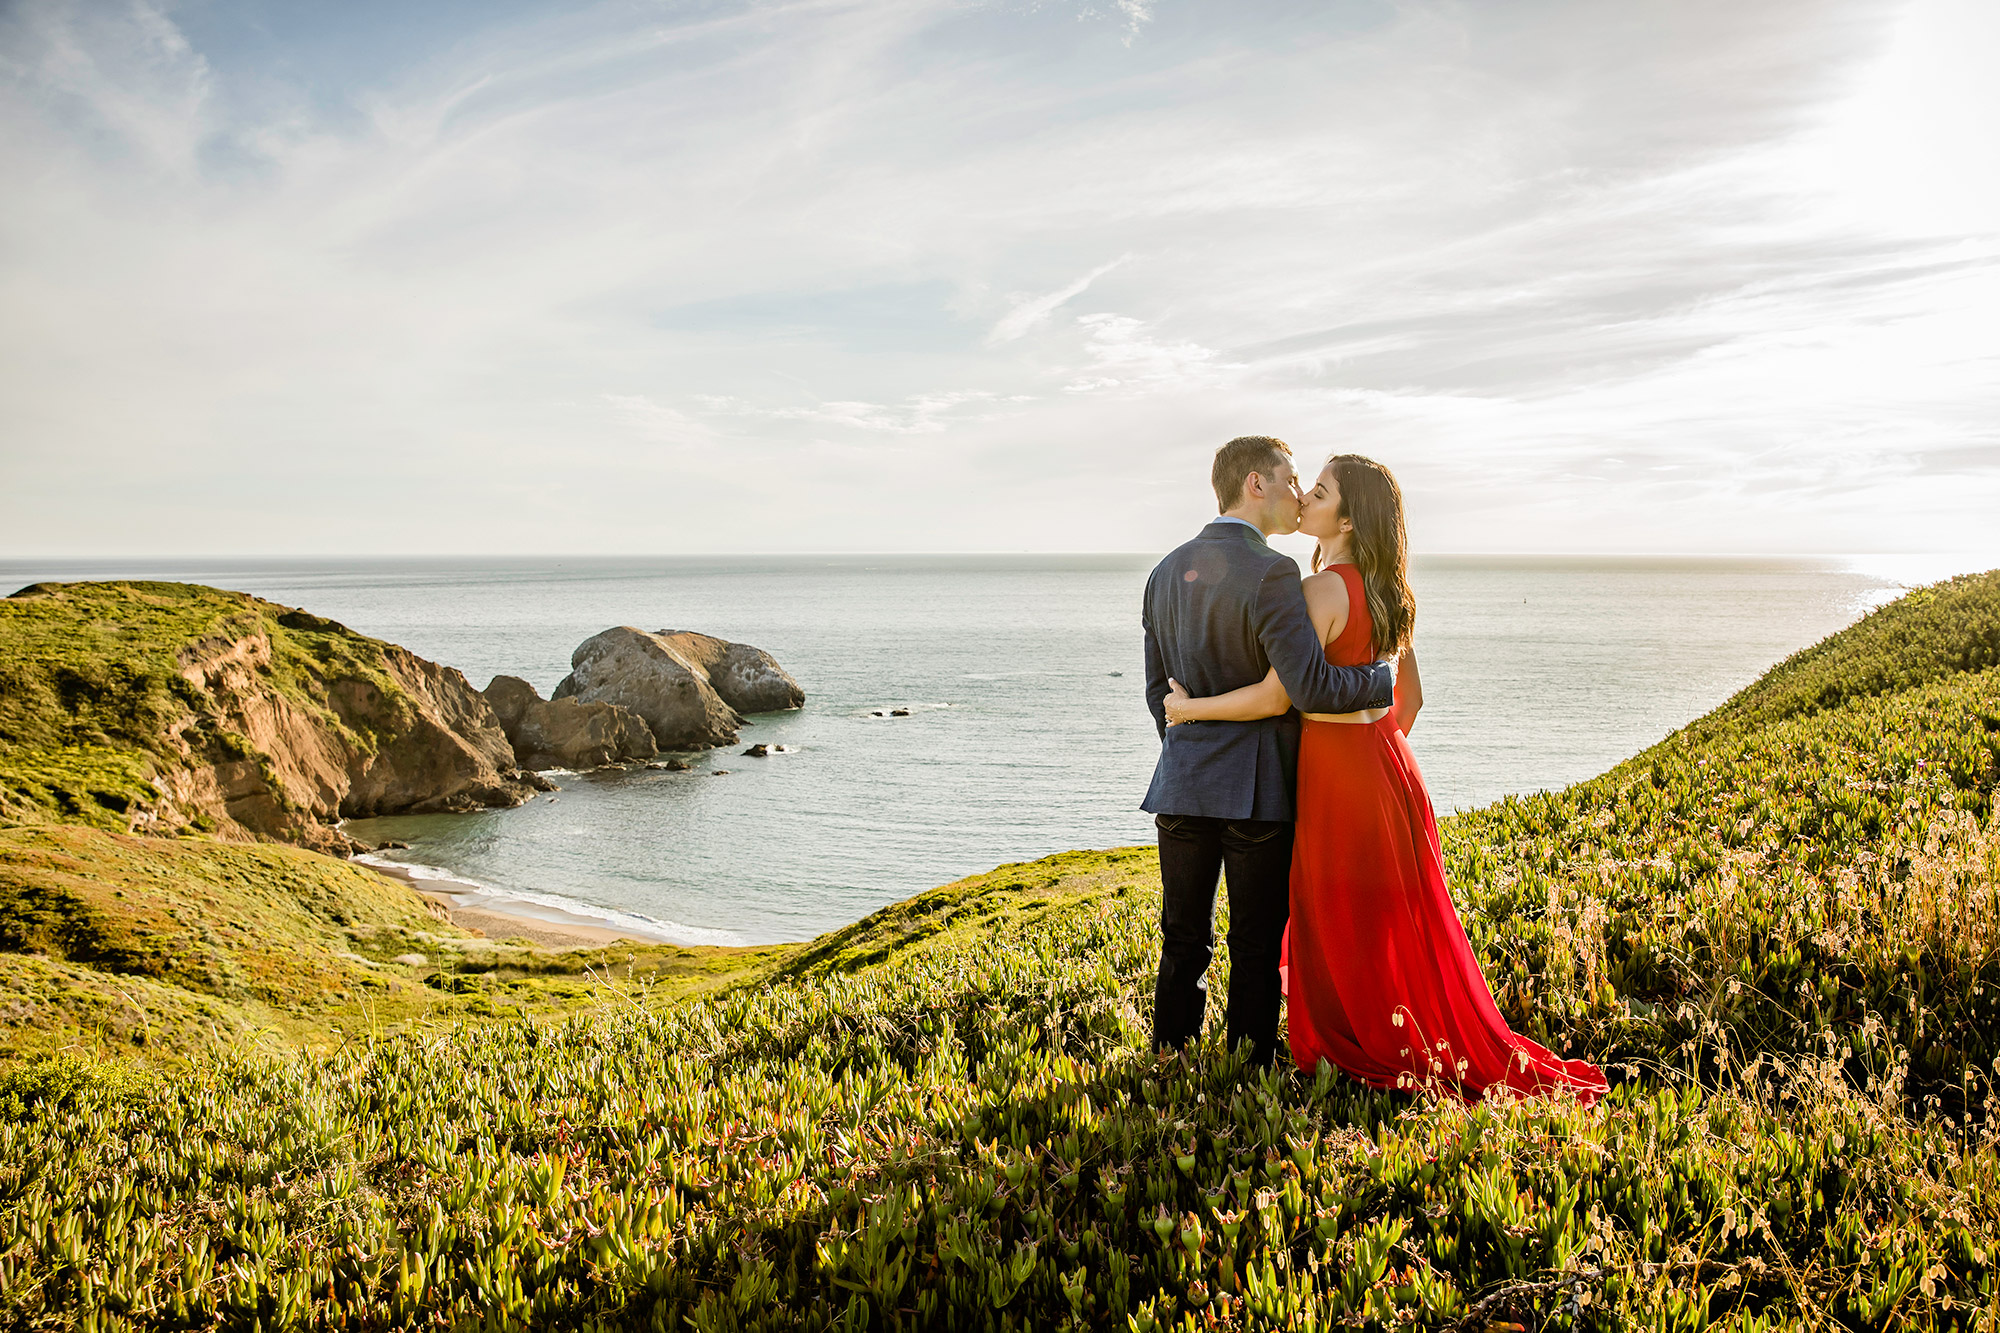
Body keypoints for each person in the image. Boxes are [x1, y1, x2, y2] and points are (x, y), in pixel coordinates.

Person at [1164, 453, 1606, 1104]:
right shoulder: (1390, 590)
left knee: (1339, 917)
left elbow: (1272, 698)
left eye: (1319, 490)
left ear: (1345, 515)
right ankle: (1408, 1028)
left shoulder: (1318, 591)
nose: (1305, 497)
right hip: (1390, 765)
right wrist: (1375, 748)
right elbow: (1413, 701)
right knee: (1397, 917)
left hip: (1337, 772)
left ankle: (1357, 1039)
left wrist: (1186, 708)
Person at [1140, 436, 1396, 1070]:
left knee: (1182, 936)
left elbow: (1156, 693)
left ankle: (1169, 1057)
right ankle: (1249, 1065)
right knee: (1254, 942)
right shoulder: (1275, 572)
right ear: (1255, 484)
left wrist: (1188, 748)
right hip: (1257, 790)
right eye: (1289, 480)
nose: (1295, 492)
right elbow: (1304, 688)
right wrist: (1378, 679)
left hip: (1181, 782)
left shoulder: (1164, 570)